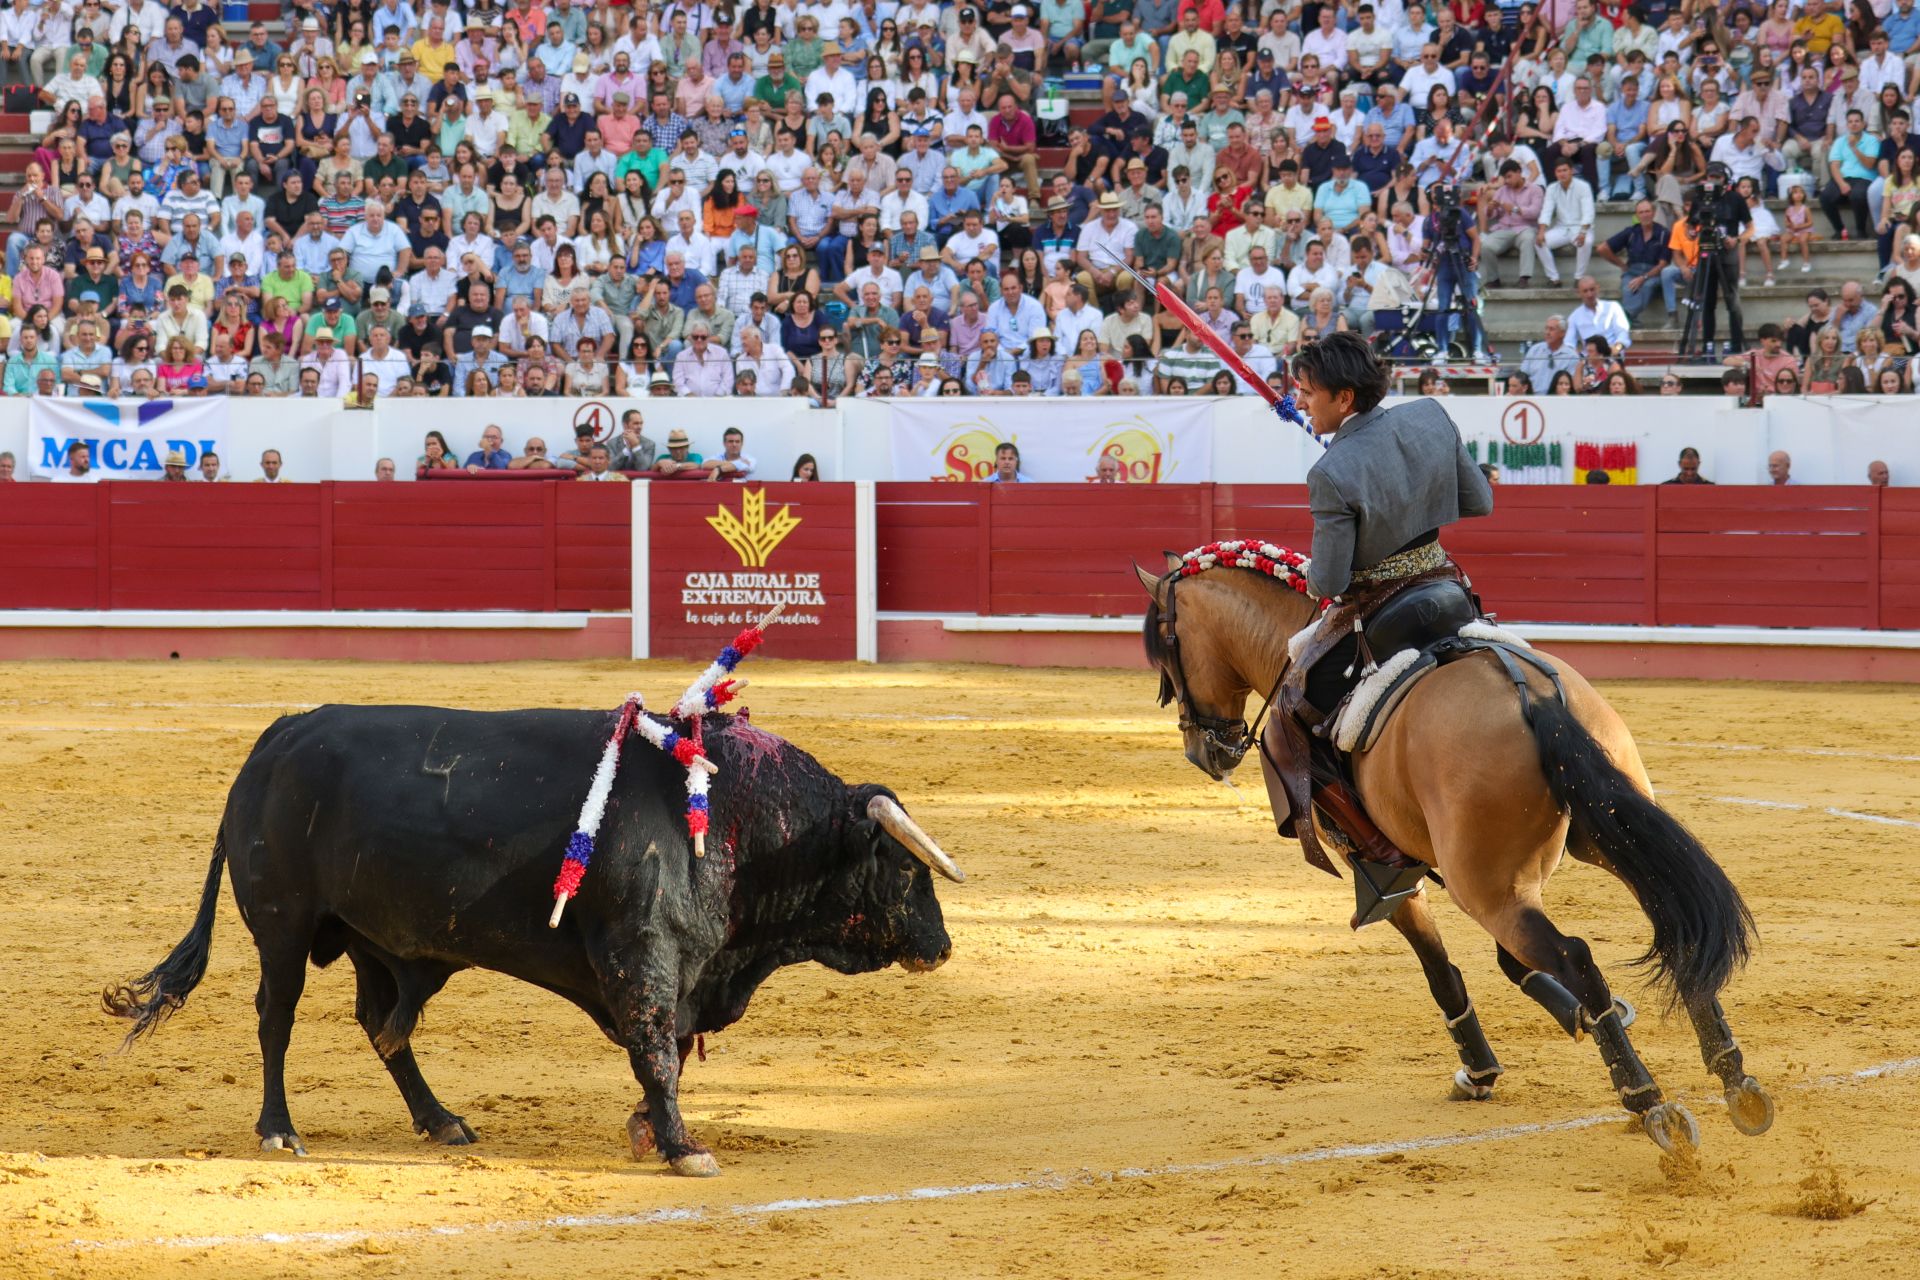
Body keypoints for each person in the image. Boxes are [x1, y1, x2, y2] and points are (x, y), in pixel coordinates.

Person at [1264, 332, 1493, 874]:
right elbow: (1479, 501)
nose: (1299, 402)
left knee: (1288, 716)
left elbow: (1331, 580)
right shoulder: (1431, 416)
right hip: (1449, 592)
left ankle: (1382, 852)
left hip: (1385, 614)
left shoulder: (1330, 472)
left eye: (1308, 393)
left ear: (1344, 399)